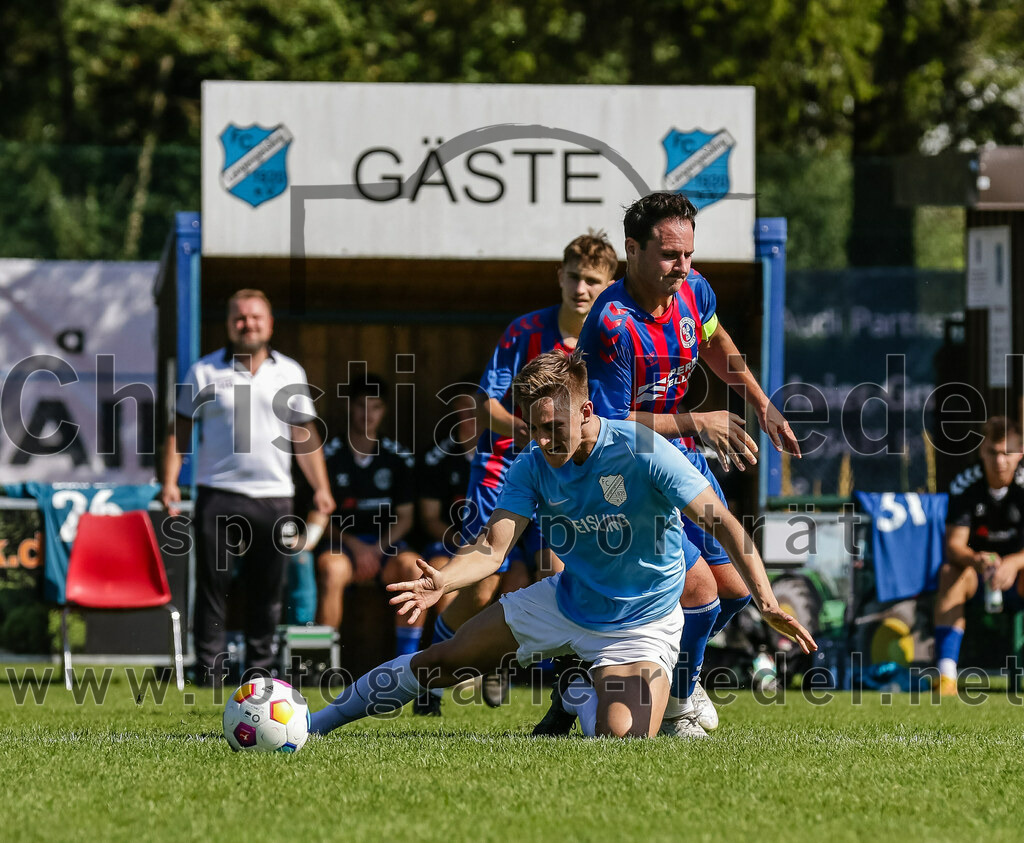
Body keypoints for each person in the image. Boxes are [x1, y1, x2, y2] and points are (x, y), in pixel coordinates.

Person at [309, 351, 815, 739]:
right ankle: (312, 725)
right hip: (566, 601)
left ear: (587, 410)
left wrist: (767, 601)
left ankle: (578, 690)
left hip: (643, 622)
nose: (544, 441)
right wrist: (443, 580)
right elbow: (493, 547)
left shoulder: (641, 450)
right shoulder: (530, 464)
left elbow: (724, 522)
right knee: (442, 662)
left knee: (624, 739)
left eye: (555, 427)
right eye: (533, 427)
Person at [576, 192, 801, 735]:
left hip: (677, 455)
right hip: (623, 471)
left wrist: (760, 400)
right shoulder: (612, 322)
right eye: (671, 255)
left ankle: (654, 678)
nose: (684, 267)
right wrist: (699, 422)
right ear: (632, 250)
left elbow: (714, 339)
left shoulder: (693, 290)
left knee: (738, 588)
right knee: (698, 589)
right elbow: (609, 427)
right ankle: (672, 698)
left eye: (689, 254)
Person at [429, 232, 618, 706]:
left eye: (593, 280)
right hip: (504, 466)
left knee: (558, 574)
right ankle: (434, 665)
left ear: (610, 283)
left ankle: (557, 696)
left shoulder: (614, 339)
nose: (582, 288)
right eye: (574, 276)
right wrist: (535, 432)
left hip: (569, 473)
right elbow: (486, 403)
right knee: (483, 580)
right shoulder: (524, 331)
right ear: (559, 275)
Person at [160, 289, 335, 687]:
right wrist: (170, 481)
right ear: (228, 324)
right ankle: (209, 674)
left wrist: (321, 488)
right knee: (213, 587)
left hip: (274, 496)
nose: (247, 324)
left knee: (267, 591)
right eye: (240, 317)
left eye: (256, 317)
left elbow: (304, 435)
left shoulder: (290, 372)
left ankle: (261, 676)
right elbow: (180, 431)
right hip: (217, 493)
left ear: (269, 325)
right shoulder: (203, 371)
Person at [315, 373, 424, 659]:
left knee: (414, 570)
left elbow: (406, 518)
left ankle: (405, 662)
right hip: (344, 547)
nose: (368, 414)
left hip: (385, 548)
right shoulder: (328, 456)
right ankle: (323, 665)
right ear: (350, 407)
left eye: (375, 407)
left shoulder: (398, 456)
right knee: (331, 570)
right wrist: (357, 547)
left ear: (384, 410)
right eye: (362, 405)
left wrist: (375, 549)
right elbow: (318, 519)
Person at [934, 415, 1024, 695]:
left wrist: (1014, 562)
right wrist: (979, 560)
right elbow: (955, 546)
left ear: (1020, 453)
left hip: (1019, 576)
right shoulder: (965, 485)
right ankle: (946, 676)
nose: (1000, 461)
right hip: (977, 576)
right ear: (981, 452)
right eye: (993, 453)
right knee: (950, 573)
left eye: (1007, 453)